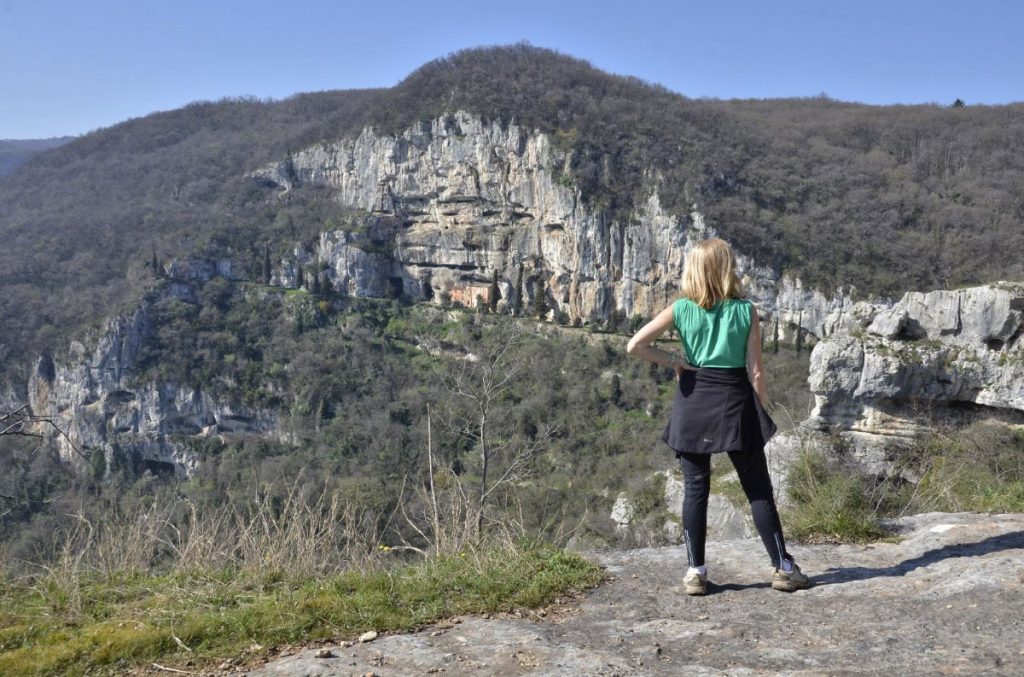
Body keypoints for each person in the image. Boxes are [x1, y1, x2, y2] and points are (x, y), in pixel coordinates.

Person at [626, 238, 810, 595]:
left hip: (693, 403)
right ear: (726, 269)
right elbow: (756, 371)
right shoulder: (746, 311)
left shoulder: (681, 309)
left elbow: (636, 346)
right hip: (735, 401)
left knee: (695, 490)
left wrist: (676, 362)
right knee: (758, 491)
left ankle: (695, 572)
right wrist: (758, 411)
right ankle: (783, 568)